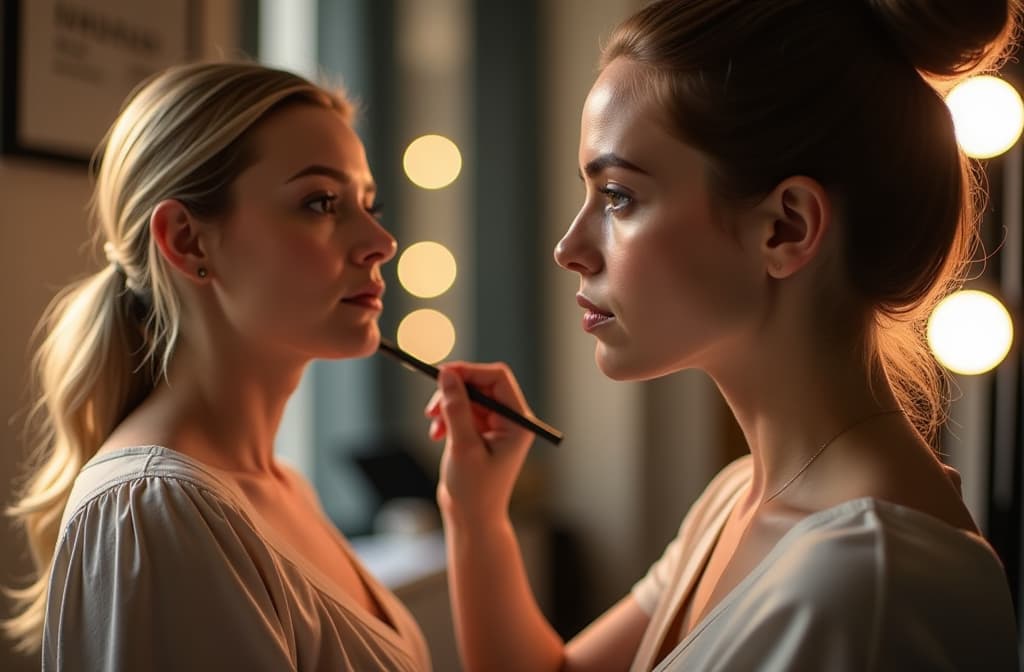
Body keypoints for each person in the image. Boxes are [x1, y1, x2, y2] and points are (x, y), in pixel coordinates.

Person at [423, 0, 1022, 669]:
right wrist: (475, 515)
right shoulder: (737, 499)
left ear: (785, 228)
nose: (569, 247)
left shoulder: (867, 583)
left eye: (618, 195)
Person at [5, 62, 431, 671]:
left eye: (369, 203)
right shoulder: (156, 510)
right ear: (187, 240)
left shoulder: (280, 487)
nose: (381, 242)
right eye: (321, 202)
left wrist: (473, 517)